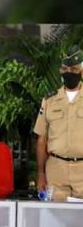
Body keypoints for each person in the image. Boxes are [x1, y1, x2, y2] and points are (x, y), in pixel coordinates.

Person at [34, 45, 83, 201]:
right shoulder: (50, 100)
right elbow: (42, 140)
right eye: (65, 69)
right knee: (55, 219)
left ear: (81, 71)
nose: (69, 73)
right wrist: (41, 174)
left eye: (74, 69)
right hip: (56, 170)